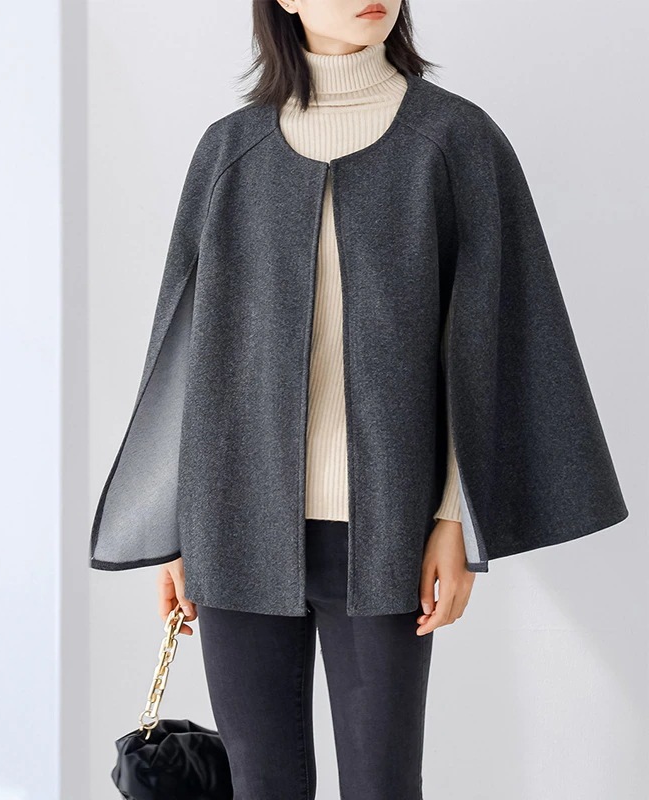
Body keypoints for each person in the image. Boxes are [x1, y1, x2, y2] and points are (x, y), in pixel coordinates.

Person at [92, 1, 628, 797]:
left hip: (388, 528)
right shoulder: (229, 150)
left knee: (383, 783)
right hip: (233, 524)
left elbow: (491, 342)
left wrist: (454, 519)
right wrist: (173, 530)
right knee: (262, 784)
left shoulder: (454, 140)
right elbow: (186, 351)